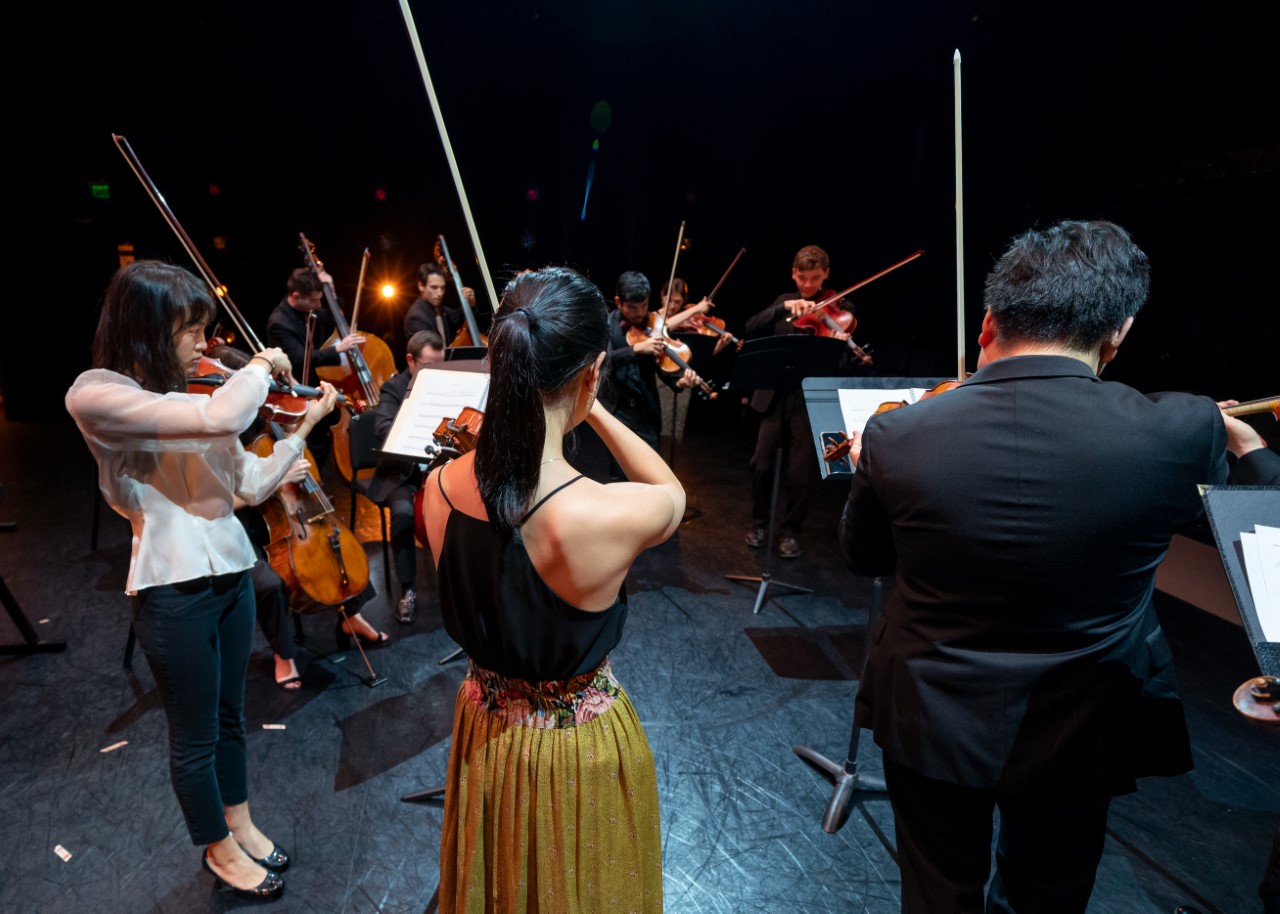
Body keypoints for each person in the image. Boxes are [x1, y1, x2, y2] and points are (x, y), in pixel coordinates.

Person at [838, 220, 1231, 913]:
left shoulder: (897, 432)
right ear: (1120, 332)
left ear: (987, 322)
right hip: (1083, 721)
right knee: (1047, 896)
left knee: (937, 894)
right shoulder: (1184, 429)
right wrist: (1253, 448)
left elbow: (864, 556)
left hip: (930, 713)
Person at [66, 260, 341, 901]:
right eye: (192, 329)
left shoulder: (198, 393)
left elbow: (246, 484)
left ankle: (239, 821)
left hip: (233, 573)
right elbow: (216, 421)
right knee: (192, 733)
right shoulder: (98, 393)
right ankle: (216, 847)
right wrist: (256, 366)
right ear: (147, 327)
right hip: (171, 588)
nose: (203, 343)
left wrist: (300, 430)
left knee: (229, 717)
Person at [418, 266, 682, 912]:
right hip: (576, 752)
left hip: (483, 727)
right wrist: (591, 413)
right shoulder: (599, 517)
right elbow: (671, 494)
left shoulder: (437, 490)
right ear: (590, 373)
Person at [743, 244, 853, 559]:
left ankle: (791, 531)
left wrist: (840, 346)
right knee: (761, 465)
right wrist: (783, 308)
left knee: (801, 473)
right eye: (802, 278)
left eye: (814, 278)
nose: (807, 285)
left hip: (808, 401)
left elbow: (843, 365)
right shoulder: (783, 302)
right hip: (776, 396)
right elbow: (751, 327)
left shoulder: (840, 308)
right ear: (794, 274)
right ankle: (760, 522)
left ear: (826, 275)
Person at [366, 329, 446, 623]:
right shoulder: (393, 388)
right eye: (429, 365)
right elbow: (383, 430)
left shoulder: (444, 384)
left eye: (440, 364)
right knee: (402, 514)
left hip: (438, 470)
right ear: (410, 361)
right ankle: (408, 589)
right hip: (402, 472)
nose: (436, 372)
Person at [265, 266, 365, 473]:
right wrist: (338, 348)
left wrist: (332, 290)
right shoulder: (279, 322)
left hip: (316, 383)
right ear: (296, 296)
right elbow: (301, 358)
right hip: (297, 390)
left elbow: (332, 316)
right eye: (314, 300)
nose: (319, 305)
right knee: (312, 443)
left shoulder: (308, 308)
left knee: (321, 440)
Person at [603, 270, 703, 461]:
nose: (640, 313)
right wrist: (636, 349)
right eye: (632, 307)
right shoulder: (607, 324)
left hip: (647, 411)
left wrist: (679, 382)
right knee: (621, 475)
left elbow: (661, 365)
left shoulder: (652, 323)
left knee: (651, 473)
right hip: (618, 412)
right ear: (618, 302)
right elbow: (603, 360)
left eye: (644, 305)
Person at [403, 261, 476, 347]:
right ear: (421, 286)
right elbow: (427, 352)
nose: (440, 293)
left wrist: (470, 303)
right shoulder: (416, 317)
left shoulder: (438, 308)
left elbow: (457, 318)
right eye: (434, 287)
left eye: (442, 288)